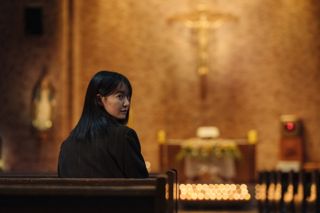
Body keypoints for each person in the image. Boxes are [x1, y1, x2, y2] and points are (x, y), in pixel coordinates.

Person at [58, 71, 149, 178]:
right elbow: (143, 185)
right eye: (120, 96)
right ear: (99, 100)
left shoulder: (67, 144)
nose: (127, 103)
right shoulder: (124, 136)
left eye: (128, 97)